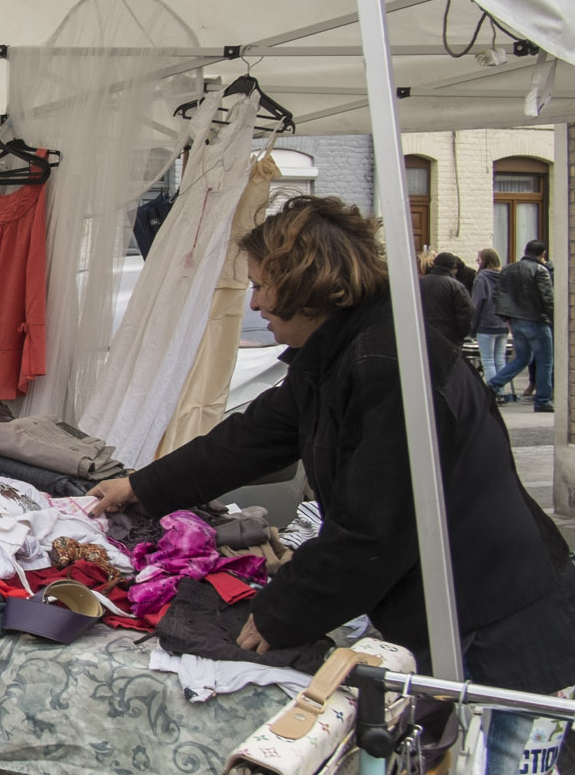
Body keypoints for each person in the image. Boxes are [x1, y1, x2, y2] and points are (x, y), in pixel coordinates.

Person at [88, 196, 573, 775]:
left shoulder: (384, 363)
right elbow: (252, 436)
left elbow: (376, 528)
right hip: (458, 608)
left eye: (264, 285)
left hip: (496, 620)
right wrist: (141, 486)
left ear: (308, 283)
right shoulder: (342, 351)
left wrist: (278, 614)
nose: (257, 301)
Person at [487, 239, 554, 413]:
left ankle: (492, 385)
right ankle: (542, 400)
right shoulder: (540, 270)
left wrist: (507, 318)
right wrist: (554, 320)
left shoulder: (508, 269)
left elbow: (498, 295)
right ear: (542, 254)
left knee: (521, 359)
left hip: (516, 321)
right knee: (545, 361)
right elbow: (548, 298)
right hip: (537, 321)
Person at [469, 248, 512, 397]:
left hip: (486, 324)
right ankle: (502, 390)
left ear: (484, 261)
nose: (477, 262)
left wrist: (472, 327)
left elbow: (477, 303)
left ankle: (494, 391)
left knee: (487, 360)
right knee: (500, 359)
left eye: (478, 260)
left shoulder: (482, 278)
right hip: (503, 324)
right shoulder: (505, 277)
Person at [416, 251, 472, 346]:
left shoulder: (419, 283)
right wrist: (461, 334)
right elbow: (466, 313)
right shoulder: (456, 286)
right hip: (449, 338)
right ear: (453, 267)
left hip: (424, 334)